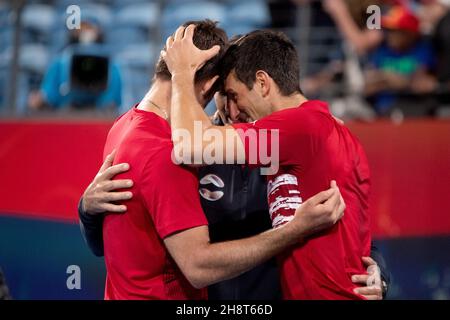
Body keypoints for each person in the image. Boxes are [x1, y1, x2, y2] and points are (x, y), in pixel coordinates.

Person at [86, 20, 345, 300]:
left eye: (238, 96)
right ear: (211, 87)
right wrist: (87, 211)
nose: (234, 111)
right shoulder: (175, 151)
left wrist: (377, 273)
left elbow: (341, 214)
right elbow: (196, 265)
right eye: (226, 96)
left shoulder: (124, 126)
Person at [162, 26, 373, 299]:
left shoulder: (301, 128)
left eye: (235, 95)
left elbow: (189, 145)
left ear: (262, 83)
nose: (233, 109)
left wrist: (180, 73)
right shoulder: (326, 131)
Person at [28, 19, 122, 111]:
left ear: (97, 31)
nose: (84, 32)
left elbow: (113, 101)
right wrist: (40, 100)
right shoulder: (60, 63)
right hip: (66, 114)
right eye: (81, 27)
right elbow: (48, 96)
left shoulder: (111, 66)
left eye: (89, 27)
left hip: (98, 115)